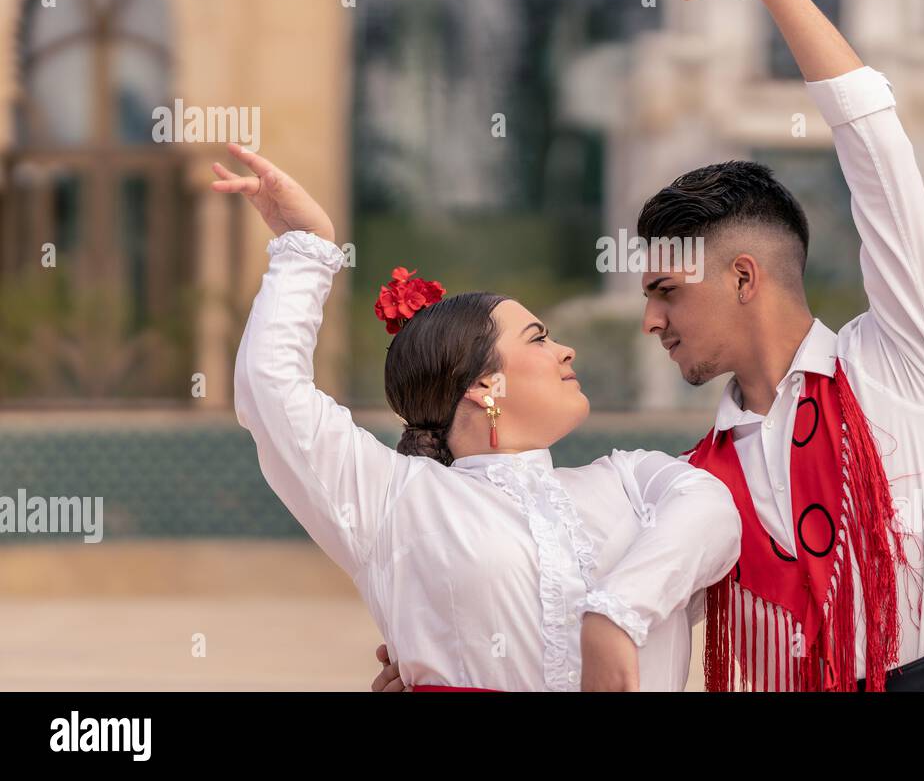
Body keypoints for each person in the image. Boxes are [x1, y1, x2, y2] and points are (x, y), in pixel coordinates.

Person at [372, 0, 924, 691]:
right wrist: (437, 662)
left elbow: (881, 161)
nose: (649, 319)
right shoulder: (693, 486)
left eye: (665, 291)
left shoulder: (901, 362)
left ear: (743, 278)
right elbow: (558, 601)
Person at [212, 140, 740, 691]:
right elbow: (269, 385)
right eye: (539, 338)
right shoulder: (394, 500)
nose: (566, 351)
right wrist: (306, 248)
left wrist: (617, 614)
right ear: (486, 384)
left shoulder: (631, 480)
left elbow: (713, 514)